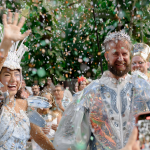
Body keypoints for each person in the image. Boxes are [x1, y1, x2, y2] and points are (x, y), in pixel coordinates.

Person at [53, 31, 150, 150]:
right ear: (106, 56)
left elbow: (146, 136)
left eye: (124, 53)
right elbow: (75, 143)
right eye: (115, 54)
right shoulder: (90, 93)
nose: (120, 58)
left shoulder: (143, 89)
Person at [0, 12, 55, 149]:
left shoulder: (24, 105)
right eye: (7, 74)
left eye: (17, 74)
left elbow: (39, 136)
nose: (13, 79)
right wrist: (5, 46)